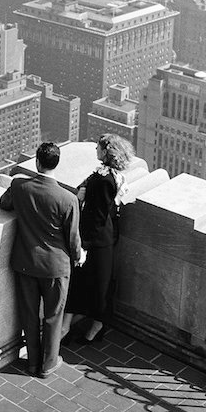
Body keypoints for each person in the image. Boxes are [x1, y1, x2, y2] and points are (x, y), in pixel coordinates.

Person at [0, 142, 83, 377]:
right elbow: (74, 238)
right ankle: (48, 364)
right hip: (56, 266)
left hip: (26, 262)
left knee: (29, 313)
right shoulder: (69, 199)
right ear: (57, 164)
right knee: (53, 316)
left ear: (37, 162)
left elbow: (4, 204)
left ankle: (32, 362)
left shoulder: (19, 186)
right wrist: (79, 255)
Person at [61, 133, 135, 344]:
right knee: (91, 283)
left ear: (106, 151)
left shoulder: (105, 180)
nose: (95, 150)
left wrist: (84, 244)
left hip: (98, 240)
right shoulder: (107, 175)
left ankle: (96, 325)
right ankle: (85, 324)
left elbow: (98, 215)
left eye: (98, 147)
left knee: (97, 284)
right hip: (100, 238)